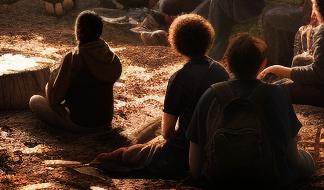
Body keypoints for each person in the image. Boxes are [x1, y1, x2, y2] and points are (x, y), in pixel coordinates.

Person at [93, 14, 228, 178]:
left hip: (181, 154)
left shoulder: (180, 78)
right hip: (218, 149)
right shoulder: (221, 71)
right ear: (208, 40)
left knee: (120, 157)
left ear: (176, 43)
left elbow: (167, 133)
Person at [188, 33, 314, 190]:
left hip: (218, 181)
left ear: (226, 63)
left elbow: (194, 168)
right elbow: (292, 158)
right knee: (308, 161)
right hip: (268, 182)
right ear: (263, 64)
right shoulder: (276, 94)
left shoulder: (211, 95)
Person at [29, 11, 122, 131]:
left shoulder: (74, 58)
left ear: (78, 32)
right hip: (105, 122)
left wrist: (53, 80)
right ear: (100, 31)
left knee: (35, 100)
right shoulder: (111, 58)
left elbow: (54, 100)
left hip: (80, 124)